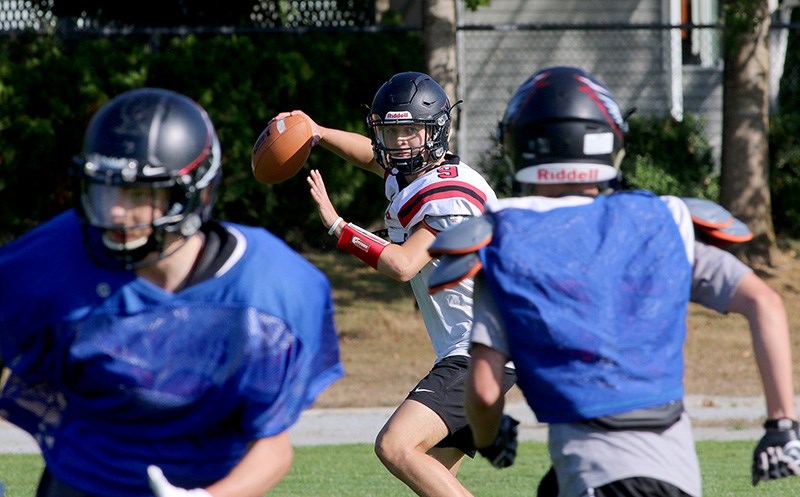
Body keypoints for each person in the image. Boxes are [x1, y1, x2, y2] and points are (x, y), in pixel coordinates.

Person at [425, 66, 799, 497]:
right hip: (675, 475)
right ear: (610, 142)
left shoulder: (505, 240)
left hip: (590, 472)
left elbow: (486, 390)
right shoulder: (661, 221)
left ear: (517, 145)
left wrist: (488, 438)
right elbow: (765, 302)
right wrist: (781, 425)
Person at [0, 88, 344, 497]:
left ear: (193, 193)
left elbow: (272, 446)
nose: (114, 211)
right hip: (82, 483)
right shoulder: (52, 259)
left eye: (140, 194)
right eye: (106, 189)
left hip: (208, 481)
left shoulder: (271, 288)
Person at [271, 71, 516, 497]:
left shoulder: (450, 194)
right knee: (434, 480)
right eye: (391, 130)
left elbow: (403, 264)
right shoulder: (420, 174)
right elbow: (372, 157)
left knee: (395, 445)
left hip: (485, 349)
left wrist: (337, 227)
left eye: (410, 131)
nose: (399, 141)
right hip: (485, 345)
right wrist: (318, 133)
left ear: (435, 131)